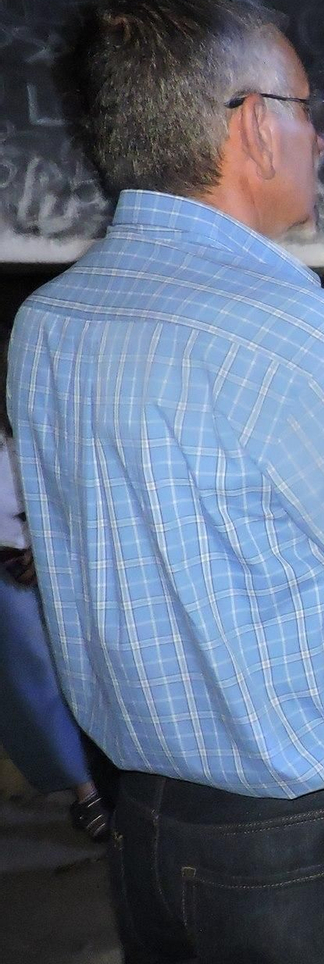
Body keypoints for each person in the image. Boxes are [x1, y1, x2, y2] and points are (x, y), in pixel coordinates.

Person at [8, 0, 324, 964]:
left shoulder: (46, 326)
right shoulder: (299, 333)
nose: (323, 137)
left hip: (151, 834)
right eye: (313, 111)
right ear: (254, 127)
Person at [0, 328, 109, 844]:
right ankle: (87, 792)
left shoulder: (42, 422)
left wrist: (50, 550)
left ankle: (118, 781)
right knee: (34, 673)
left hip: (66, 559)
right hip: (9, 573)